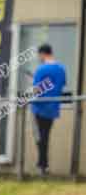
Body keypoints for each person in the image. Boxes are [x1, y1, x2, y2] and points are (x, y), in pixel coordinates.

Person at [30, 44, 66, 175]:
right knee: (46, 136)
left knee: (40, 138)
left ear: (43, 54)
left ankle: (42, 166)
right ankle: (43, 165)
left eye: (39, 55)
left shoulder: (41, 69)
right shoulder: (61, 69)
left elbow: (37, 90)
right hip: (53, 108)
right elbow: (60, 85)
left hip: (39, 108)